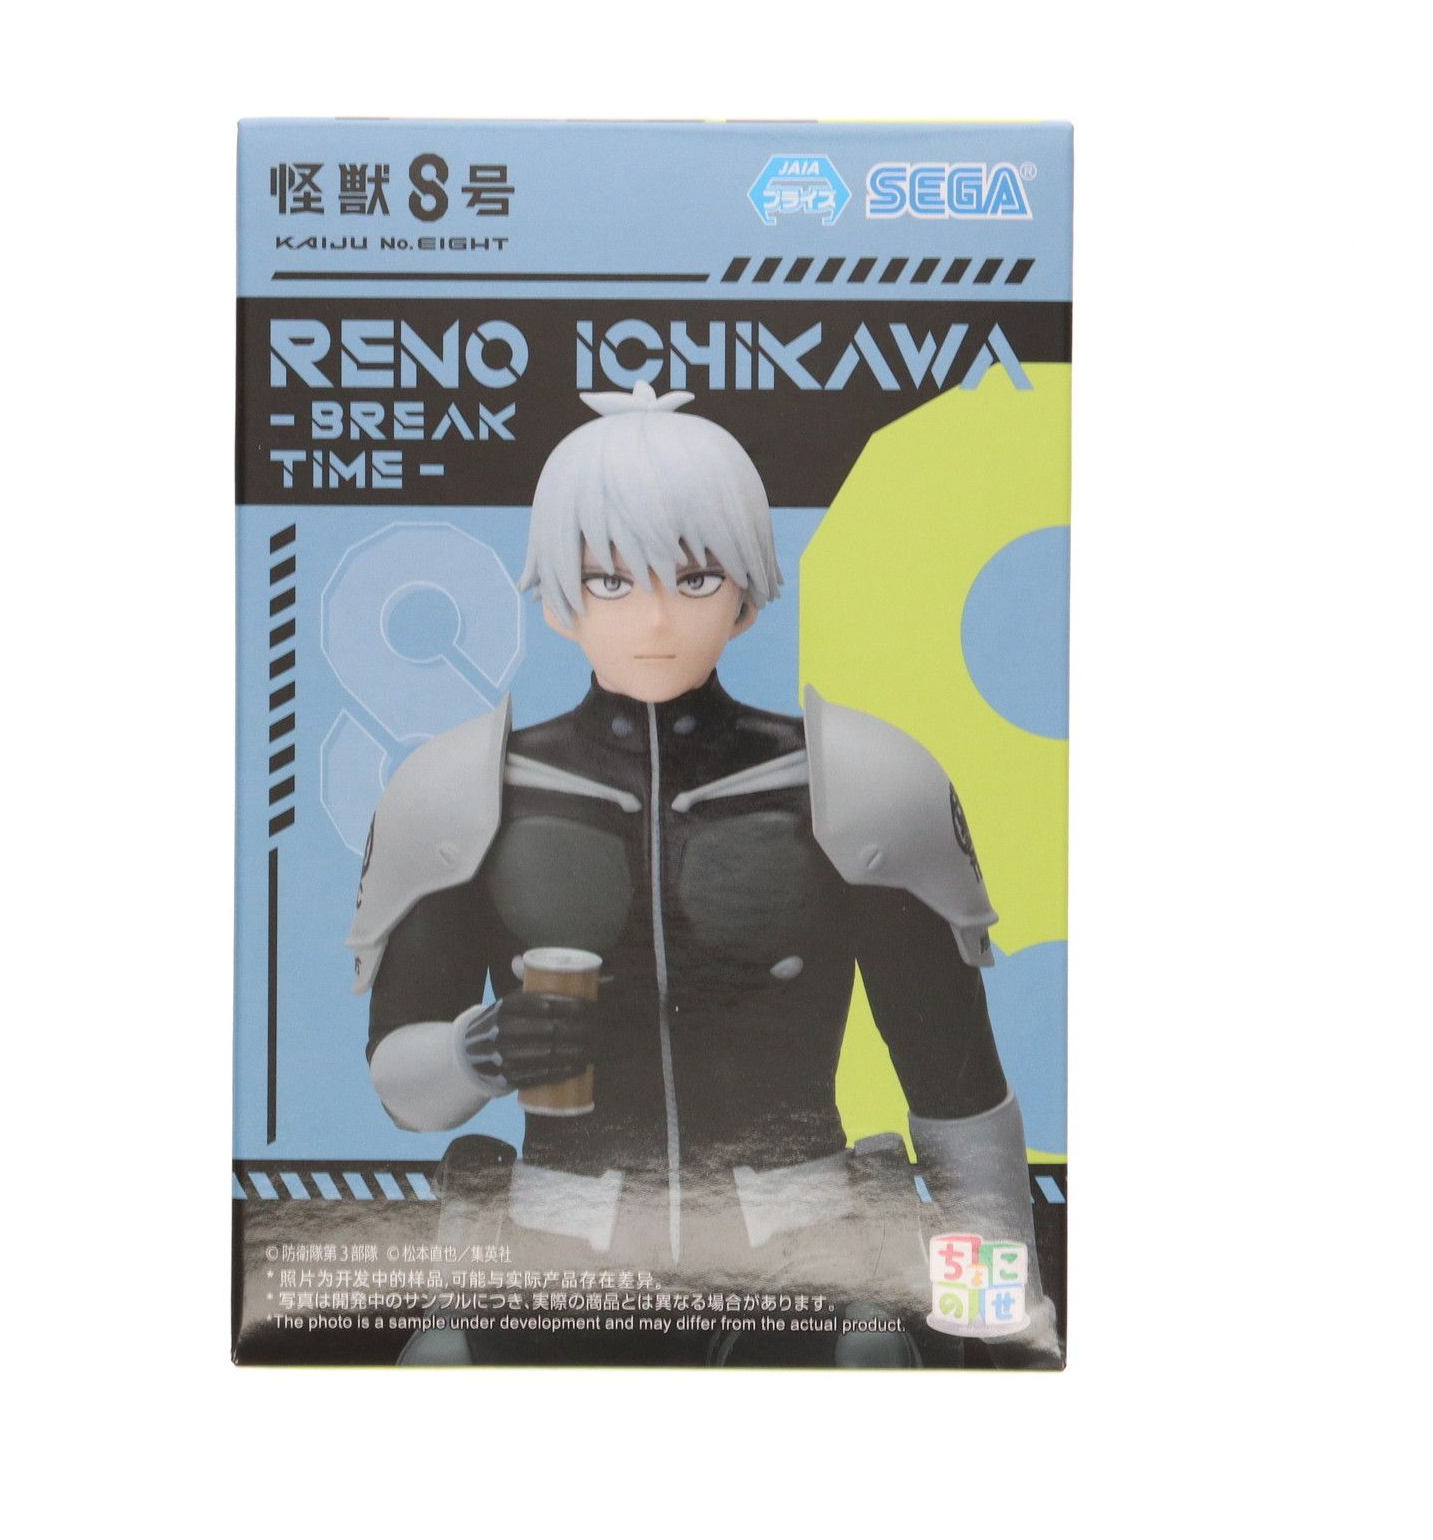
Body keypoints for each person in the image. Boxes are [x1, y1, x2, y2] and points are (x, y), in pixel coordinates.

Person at [346, 382, 1058, 1366]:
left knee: (869, 1369)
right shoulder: (460, 790)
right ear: (557, 600)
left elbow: (957, 1097)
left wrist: (1002, 1317)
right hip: (557, 1267)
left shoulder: (861, 782)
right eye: (609, 581)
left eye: (692, 577)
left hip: (807, 1262)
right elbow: (401, 1086)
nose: (653, 619)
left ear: (746, 592)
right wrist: (479, 1052)